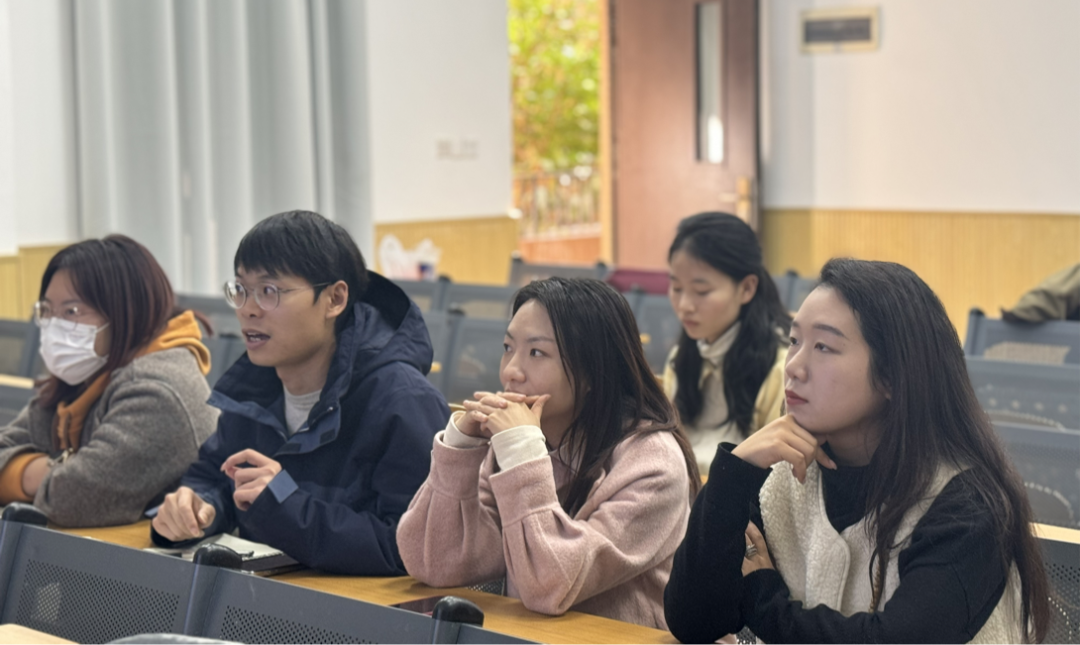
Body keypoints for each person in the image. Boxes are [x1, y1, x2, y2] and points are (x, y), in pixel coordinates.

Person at [664, 258, 1050, 645]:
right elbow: (693, 622)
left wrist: (762, 598)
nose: (794, 367)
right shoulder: (782, 474)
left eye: (824, 347)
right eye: (794, 341)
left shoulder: (967, 504)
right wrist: (736, 473)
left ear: (892, 376)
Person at [151, 210, 450, 575]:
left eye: (269, 291)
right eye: (241, 290)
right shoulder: (254, 389)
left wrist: (286, 506)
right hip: (265, 597)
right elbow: (216, 478)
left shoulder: (403, 401)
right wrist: (200, 508)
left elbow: (411, 548)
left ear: (334, 299)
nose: (247, 310)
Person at [397, 277, 700, 630]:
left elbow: (551, 586)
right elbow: (434, 563)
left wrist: (523, 454)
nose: (511, 371)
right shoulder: (513, 447)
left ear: (592, 371)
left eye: (536, 353)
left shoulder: (653, 462)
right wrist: (460, 450)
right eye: (508, 347)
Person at [0, 236, 218, 526]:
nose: (54, 325)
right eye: (47, 311)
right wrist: (55, 469)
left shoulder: (158, 391)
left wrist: (24, 471)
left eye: (72, 312)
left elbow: (74, 499)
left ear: (125, 312)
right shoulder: (84, 374)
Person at [664, 212, 791, 471]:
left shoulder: (780, 369)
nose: (684, 305)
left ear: (747, 288)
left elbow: (777, 474)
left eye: (702, 291)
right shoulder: (680, 360)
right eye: (676, 288)